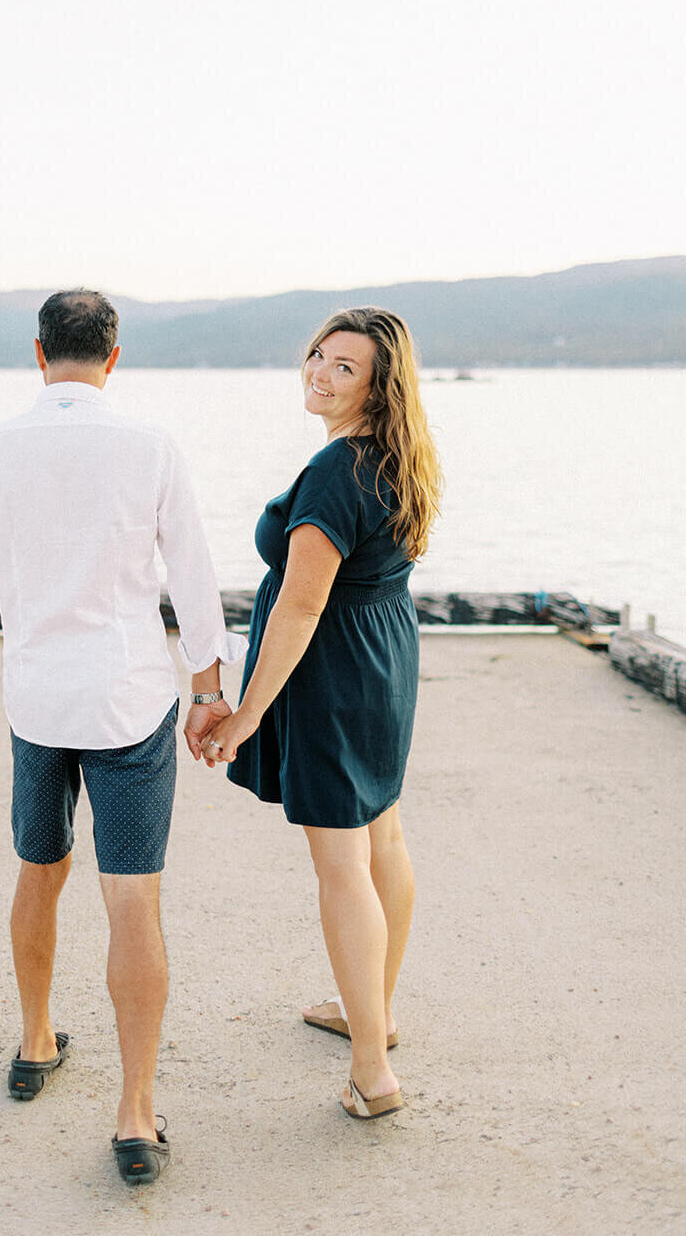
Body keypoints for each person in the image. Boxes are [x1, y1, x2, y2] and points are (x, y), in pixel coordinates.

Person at [0, 289, 245, 1185]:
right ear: (114, 356)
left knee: (39, 868)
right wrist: (207, 687)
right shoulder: (148, 446)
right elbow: (192, 574)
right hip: (129, 700)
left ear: (38, 354)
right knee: (132, 898)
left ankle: (34, 1044)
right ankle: (135, 1116)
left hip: (35, 703)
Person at [196, 307, 441, 1121]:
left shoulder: (338, 470)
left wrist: (243, 717)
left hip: (335, 671)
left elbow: (300, 610)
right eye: (316, 356)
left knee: (342, 861)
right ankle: (373, 1011)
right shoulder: (396, 458)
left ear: (378, 384)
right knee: (383, 838)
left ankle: (371, 1071)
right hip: (384, 657)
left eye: (344, 367)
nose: (319, 373)